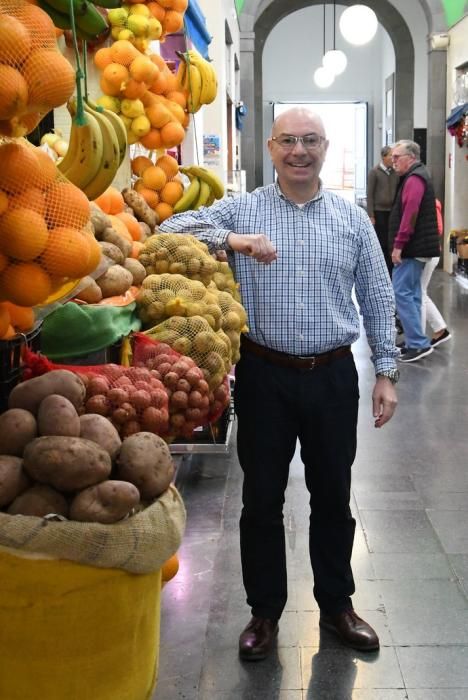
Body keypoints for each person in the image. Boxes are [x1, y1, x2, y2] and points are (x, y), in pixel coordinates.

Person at [159, 107, 399, 659]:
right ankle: (264, 614)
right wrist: (236, 241)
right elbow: (171, 228)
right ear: (270, 148)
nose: (299, 151)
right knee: (262, 500)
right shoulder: (245, 208)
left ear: (325, 147)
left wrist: (385, 371)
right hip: (264, 375)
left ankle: (337, 605)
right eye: (288, 141)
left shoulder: (351, 219)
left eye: (310, 141)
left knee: (333, 498)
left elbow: (379, 296)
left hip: (334, 375)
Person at [389, 139, 441, 363]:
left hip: (413, 248)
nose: (393, 162)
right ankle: (415, 340)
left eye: (396, 157)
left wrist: (399, 245)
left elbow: (410, 214)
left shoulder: (414, 179)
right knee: (413, 294)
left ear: (410, 157)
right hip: (418, 247)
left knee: (401, 292)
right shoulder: (415, 176)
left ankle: (418, 344)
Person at [420, 199, 451, 346]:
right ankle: (440, 329)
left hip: (427, 254)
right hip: (427, 253)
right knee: (421, 293)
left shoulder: (430, 203)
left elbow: (438, 228)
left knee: (418, 294)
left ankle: (417, 339)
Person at [367, 145, 399, 275]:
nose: (393, 159)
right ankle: (382, 268)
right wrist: (371, 214)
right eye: (391, 156)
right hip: (379, 211)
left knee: (391, 240)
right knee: (382, 241)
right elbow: (370, 194)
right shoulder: (375, 172)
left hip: (392, 211)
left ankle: (391, 268)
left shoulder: (395, 172)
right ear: (383, 157)